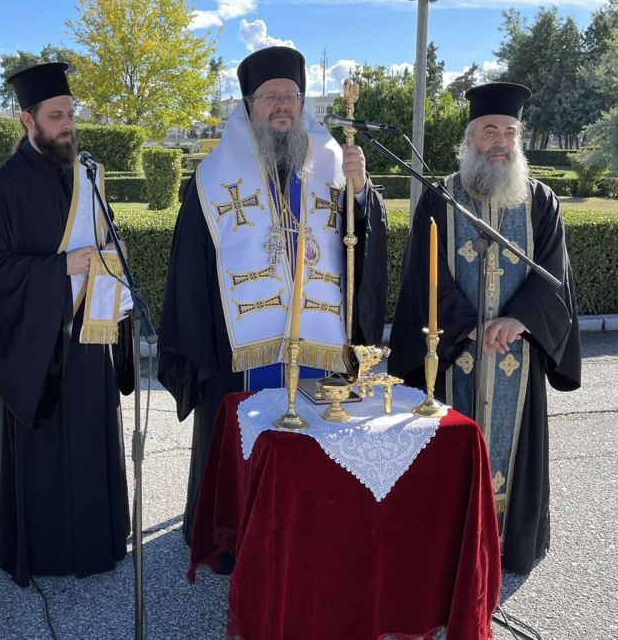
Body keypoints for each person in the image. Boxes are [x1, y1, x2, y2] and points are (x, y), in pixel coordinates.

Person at [158, 46, 389, 545]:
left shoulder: (333, 163)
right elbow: (190, 268)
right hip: (239, 349)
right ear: (248, 106)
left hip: (318, 342)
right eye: (270, 96)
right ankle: (235, 538)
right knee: (240, 441)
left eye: (291, 95)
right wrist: (201, 347)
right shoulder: (213, 177)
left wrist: (360, 192)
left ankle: (309, 539)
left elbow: (358, 246)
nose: (282, 105)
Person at [388, 82, 581, 574]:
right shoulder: (440, 199)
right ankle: (449, 548)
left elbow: (554, 274)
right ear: (470, 138)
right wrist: (469, 326)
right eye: (490, 131)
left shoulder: (541, 201)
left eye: (510, 132)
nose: (500, 142)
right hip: (455, 355)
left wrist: (519, 320)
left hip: (519, 353)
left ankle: (510, 545)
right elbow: (422, 277)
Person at [0, 62, 133, 582]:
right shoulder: (3, 188)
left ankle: (97, 543)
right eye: (56, 116)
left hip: (90, 333)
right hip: (35, 349)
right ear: (28, 120)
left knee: (90, 441)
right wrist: (59, 268)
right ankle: (41, 552)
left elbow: (102, 236)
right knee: (44, 450)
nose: (68, 125)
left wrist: (113, 251)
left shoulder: (86, 173)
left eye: (70, 114)